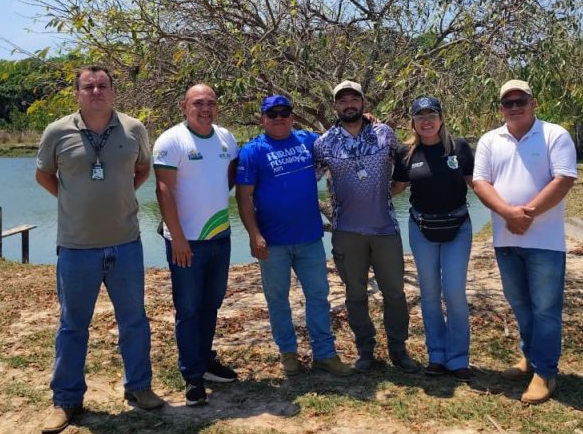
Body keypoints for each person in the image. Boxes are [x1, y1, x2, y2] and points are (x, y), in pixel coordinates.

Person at [35, 65, 164, 434]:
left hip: (126, 243)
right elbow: (44, 175)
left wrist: (120, 196)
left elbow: (143, 169)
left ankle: (139, 387)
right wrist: (72, 201)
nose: (96, 92)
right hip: (76, 247)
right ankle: (66, 400)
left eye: (102, 85)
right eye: (88, 86)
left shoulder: (134, 129)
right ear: (77, 93)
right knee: (72, 326)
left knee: (134, 321)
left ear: (113, 91)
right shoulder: (57, 131)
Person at [472, 80, 577, 404]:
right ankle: (530, 358)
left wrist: (527, 214)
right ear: (501, 108)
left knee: (545, 308)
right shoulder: (490, 140)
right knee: (519, 303)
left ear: (533, 103)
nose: (515, 107)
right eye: (509, 103)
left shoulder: (554, 135)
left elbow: (564, 179)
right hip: (505, 239)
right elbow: (480, 182)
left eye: (521, 101)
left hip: (545, 241)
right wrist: (508, 213)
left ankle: (545, 372)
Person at [235, 95, 354, 378]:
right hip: (272, 243)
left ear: (292, 117)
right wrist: (254, 234)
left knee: (318, 296)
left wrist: (368, 120)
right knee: (277, 299)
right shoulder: (252, 151)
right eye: (272, 114)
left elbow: (343, 137)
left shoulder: (309, 141)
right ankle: (288, 353)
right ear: (262, 119)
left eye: (284, 113)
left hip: (309, 238)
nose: (279, 118)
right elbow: (243, 196)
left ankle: (324, 354)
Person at [313, 80, 419, 373]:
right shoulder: (323, 143)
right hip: (346, 232)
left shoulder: (384, 133)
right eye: (342, 100)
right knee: (355, 295)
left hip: (385, 229)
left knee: (394, 293)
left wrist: (388, 192)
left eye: (354, 99)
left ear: (363, 102)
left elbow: (407, 164)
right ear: (335, 106)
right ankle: (365, 349)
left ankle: (398, 349)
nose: (349, 105)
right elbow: (306, 180)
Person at [153, 84, 239, 407]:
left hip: (220, 236)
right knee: (188, 308)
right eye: (198, 103)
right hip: (186, 241)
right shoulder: (171, 140)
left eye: (211, 103)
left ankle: (205, 360)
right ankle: (191, 375)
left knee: (211, 303)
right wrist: (176, 237)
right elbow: (163, 190)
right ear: (184, 106)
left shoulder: (226, 138)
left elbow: (230, 176)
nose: (205, 109)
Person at [392, 96, 475, 382]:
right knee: (429, 294)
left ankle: (459, 359)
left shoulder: (459, 148)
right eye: (420, 116)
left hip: (458, 228)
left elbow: (477, 184)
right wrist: (362, 195)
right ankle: (437, 356)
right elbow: (397, 187)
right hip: (422, 228)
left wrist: (507, 206)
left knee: (454, 293)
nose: (426, 121)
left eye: (431, 115)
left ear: (441, 119)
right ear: (413, 122)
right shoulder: (405, 153)